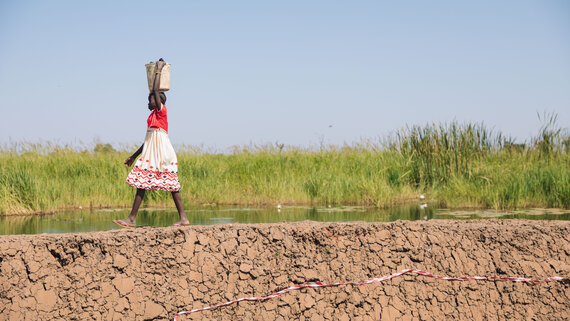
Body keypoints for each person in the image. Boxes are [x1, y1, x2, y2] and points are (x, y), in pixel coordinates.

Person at [113, 58, 190, 228]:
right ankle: (132, 218)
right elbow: (148, 141)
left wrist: (159, 69)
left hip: (162, 152)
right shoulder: (151, 118)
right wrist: (133, 156)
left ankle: (183, 217)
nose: (149, 103)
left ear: (158, 102)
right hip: (151, 152)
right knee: (142, 182)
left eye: (151, 100)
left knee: (171, 184)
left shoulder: (161, 112)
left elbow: (155, 89)